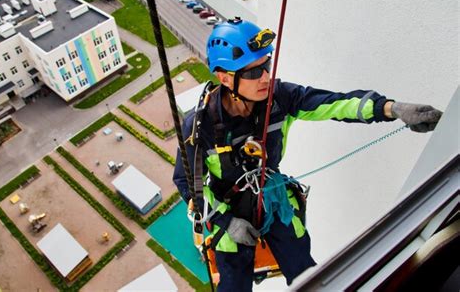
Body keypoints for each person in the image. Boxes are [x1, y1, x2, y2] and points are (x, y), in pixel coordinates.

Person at [173, 17, 442, 291]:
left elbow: (334, 104)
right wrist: (226, 222)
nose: (266, 77)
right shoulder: (200, 125)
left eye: (266, 65)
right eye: (254, 73)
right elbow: (187, 183)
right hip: (228, 211)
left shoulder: (279, 98)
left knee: (308, 277)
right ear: (225, 77)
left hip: (273, 201)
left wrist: (391, 109)